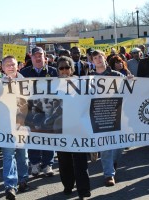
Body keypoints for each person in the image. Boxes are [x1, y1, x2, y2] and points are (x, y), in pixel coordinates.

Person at [55, 56, 91, 199]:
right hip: (60, 127)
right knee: (64, 160)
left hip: (78, 126)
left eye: (67, 67)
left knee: (80, 159)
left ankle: (83, 189)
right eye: (61, 68)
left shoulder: (81, 83)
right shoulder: (51, 84)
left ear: (72, 68)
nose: (64, 70)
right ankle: (68, 186)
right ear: (57, 70)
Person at [20, 47, 57, 177]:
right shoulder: (24, 73)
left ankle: (47, 164)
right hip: (31, 111)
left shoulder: (53, 71)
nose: (37, 57)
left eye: (40, 55)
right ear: (31, 57)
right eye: (35, 55)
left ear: (44, 56)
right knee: (33, 137)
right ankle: (34, 163)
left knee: (48, 137)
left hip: (49, 110)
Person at [90, 50, 125, 186]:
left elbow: (130, 87)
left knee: (119, 145)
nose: (98, 59)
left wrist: (129, 80)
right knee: (106, 145)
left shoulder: (116, 75)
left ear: (104, 58)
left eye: (100, 57)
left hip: (116, 113)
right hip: (99, 114)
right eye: (95, 58)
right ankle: (109, 174)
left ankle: (111, 162)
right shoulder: (89, 78)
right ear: (92, 61)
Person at [1, 55, 30, 195]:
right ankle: (10, 186)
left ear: (18, 66)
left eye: (13, 64)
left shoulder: (26, 81)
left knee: (22, 154)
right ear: (2, 68)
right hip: (6, 125)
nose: (11, 67)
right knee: (8, 155)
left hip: (22, 124)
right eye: (8, 65)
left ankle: (23, 179)